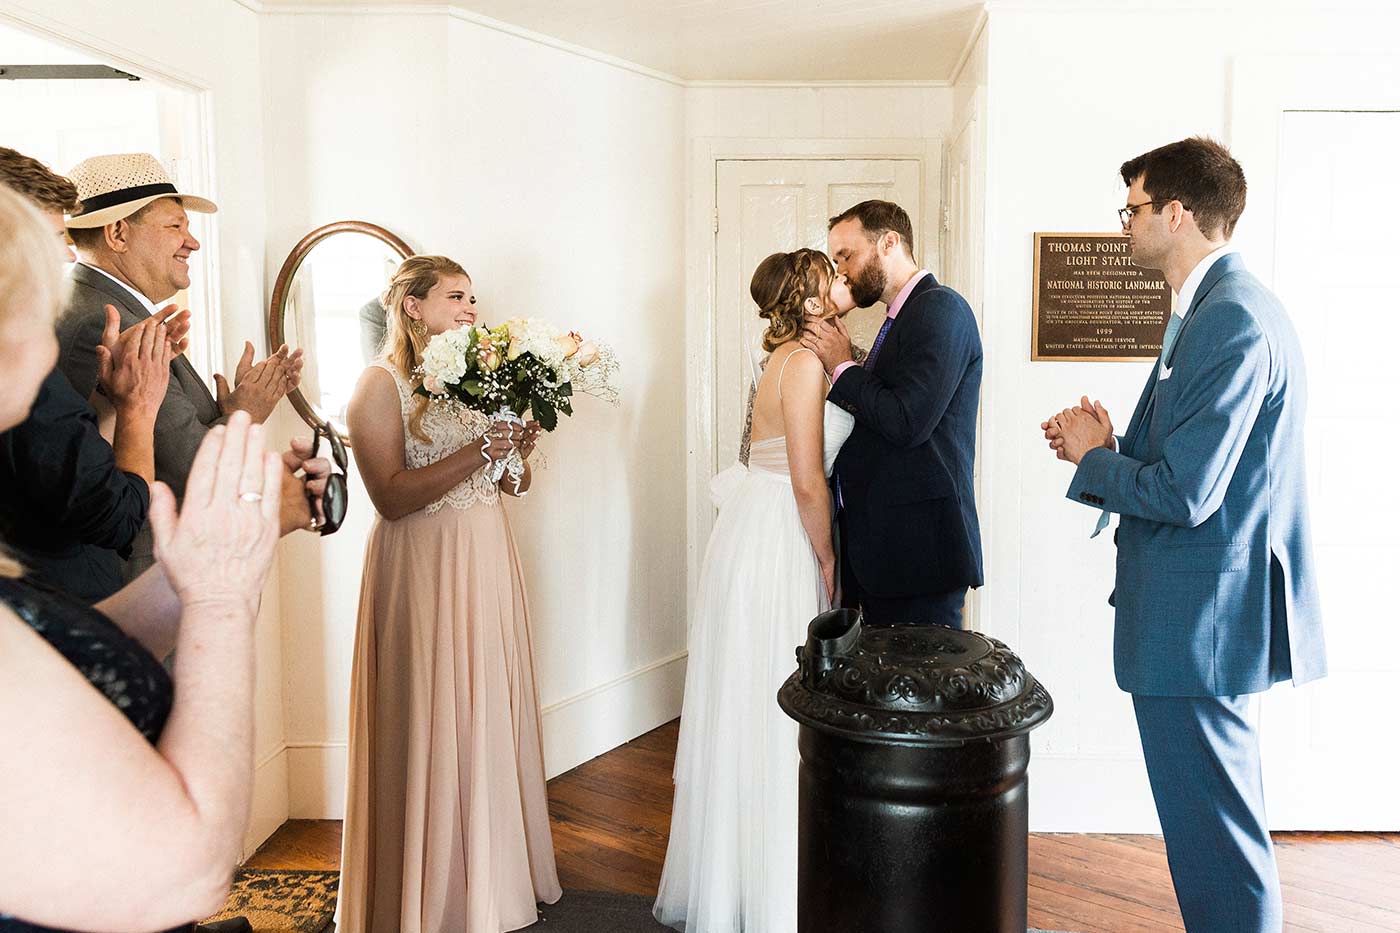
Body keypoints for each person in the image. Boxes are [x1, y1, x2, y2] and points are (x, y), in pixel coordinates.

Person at [1041, 137, 1326, 933]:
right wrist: (1111, 445)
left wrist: (1096, 460)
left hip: (1201, 624)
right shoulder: (1213, 308)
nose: (1124, 224)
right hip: (1198, 619)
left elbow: (1188, 492)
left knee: (1219, 848)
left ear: (1176, 212)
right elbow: (1196, 462)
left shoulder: (1230, 317)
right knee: (1211, 838)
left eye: (1132, 209)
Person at [0, 182, 303, 932]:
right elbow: (185, 874)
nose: (53, 326)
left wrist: (193, 576)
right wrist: (221, 598)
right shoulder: (96, 320)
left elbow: (53, 644)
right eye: (36, 301)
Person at [337, 255, 556, 932]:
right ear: (413, 305)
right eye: (455, 296)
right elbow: (390, 496)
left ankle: (490, 877)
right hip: (422, 565)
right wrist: (481, 450)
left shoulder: (475, 381)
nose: (470, 308)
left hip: (485, 555)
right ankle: (425, 893)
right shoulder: (379, 385)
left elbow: (511, 484)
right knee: (428, 706)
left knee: (484, 703)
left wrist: (516, 451)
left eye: (471, 298)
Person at [655, 248, 856, 932]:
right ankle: (772, 890)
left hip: (755, 524)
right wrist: (826, 557)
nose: (841, 284)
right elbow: (807, 479)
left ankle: (749, 876)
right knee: (774, 698)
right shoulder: (801, 365)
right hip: (778, 534)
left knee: (753, 694)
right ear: (808, 299)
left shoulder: (781, 357)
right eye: (829, 278)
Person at [57, 152, 315, 579]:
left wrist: (231, 412)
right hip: (140, 579)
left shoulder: (110, 309)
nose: (192, 242)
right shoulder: (103, 322)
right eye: (175, 227)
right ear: (118, 233)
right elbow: (193, 470)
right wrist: (246, 414)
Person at [0, 147, 184, 601]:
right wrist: (137, 406)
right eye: (51, 238)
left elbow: (57, 458)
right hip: (58, 605)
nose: (67, 256)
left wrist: (110, 399)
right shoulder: (63, 335)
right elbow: (116, 515)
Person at [800, 200, 982, 628]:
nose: (842, 272)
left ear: (889, 242)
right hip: (884, 555)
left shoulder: (941, 308)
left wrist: (842, 366)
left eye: (847, 256)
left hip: (920, 555)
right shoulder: (899, 319)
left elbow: (907, 421)